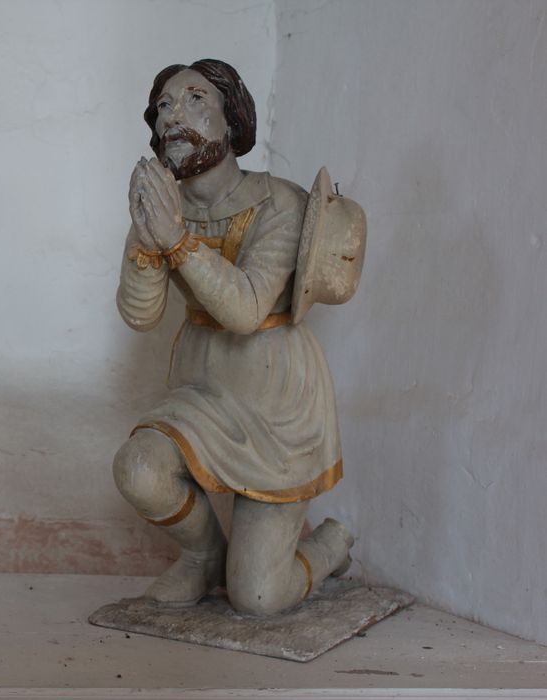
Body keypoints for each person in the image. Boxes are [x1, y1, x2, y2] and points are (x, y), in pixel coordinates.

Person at [114, 59, 354, 615]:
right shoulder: (165, 207)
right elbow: (141, 315)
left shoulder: (282, 203)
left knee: (260, 597)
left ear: (232, 121)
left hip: (277, 398)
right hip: (201, 382)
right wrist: (146, 241)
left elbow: (246, 309)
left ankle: (330, 544)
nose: (175, 116)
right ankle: (202, 558)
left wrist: (173, 238)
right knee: (139, 469)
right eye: (164, 107)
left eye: (196, 100)